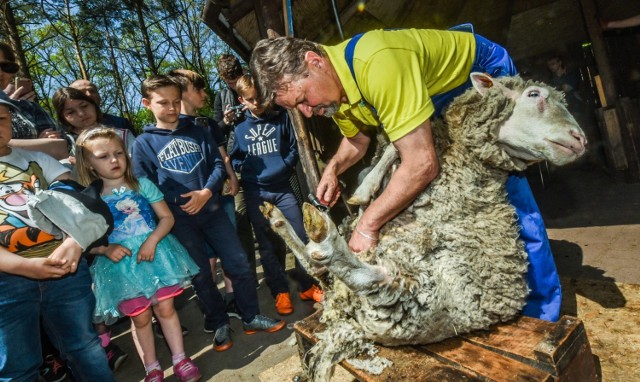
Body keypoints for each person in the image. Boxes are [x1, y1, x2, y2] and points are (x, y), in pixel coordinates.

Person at [250, 28, 562, 322]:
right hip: (423, 87)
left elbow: (422, 164)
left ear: (314, 62)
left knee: (498, 189)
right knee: (439, 200)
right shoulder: (332, 91)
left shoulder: (377, 63)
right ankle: (478, 292)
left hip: (474, 73)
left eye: (303, 99)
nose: (306, 111)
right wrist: (333, 168)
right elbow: (358, 140)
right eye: (297, 108)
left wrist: (367, 226)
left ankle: (541, 311)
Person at [132, 75, 285, 352]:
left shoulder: (198, 130)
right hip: (179, 221)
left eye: (175, 101)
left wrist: (205, 193)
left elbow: (217, 164)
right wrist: (177, 200)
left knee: (238, 262)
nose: (170, 108)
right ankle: (219, 324)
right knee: (201, 275)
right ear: (146, 104)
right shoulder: (143, 143)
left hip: (211, 209)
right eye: (162, 102)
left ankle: (250, 316)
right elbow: (145, 184)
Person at [0, 91, 114, 381]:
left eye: (1, 118)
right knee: (18, 367)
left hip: (67, 268)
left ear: (11, 120)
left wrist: (74, 243)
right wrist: (23, 266)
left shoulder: (38, 160)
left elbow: (83, 206)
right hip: (7, 282)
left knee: (84, 346)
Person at [74, 127, 201, 382]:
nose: (113, 160)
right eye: (103, 156)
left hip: (156, 257)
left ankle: (180, 359)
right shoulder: (89, 198)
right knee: (140, 317)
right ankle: (152, 368)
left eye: (118, 153)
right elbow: (83, 240)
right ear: (87, 162)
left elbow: (166, 218)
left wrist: (152, 241)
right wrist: (105, 249)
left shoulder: (142, 185)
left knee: (166, 308)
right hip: (121, 267)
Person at [230, 75, 323, 315]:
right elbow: (236, 157)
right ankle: (280, 292)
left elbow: (293, 148)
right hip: (256, 193)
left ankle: (306, 285)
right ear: (242, 100)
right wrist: (245, 168)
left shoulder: (282, 119)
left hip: (282, 189)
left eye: (260, 97)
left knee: (300, 235)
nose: (257, 103)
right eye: (251, 100)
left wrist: (283, 165)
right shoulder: (240, 130)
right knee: (267, 244)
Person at [212, 54, 258, 279]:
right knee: (241, 219)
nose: (233, 85)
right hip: (236, 161)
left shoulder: (253, 85)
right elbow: (215, 131)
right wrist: (225, 121)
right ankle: (250, 270)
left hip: (259, 155)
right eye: (228, 82)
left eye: (235, 79)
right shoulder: (221, 97)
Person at [0, 41, 68, 160]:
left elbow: (61, 147)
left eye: (6, 67)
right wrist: (41, 144)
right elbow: (53, 148)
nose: (0, 73)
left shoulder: (29, 107)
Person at [52, 87, 135, 155]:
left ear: (94, 105)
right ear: (63, 118)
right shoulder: (64, 145)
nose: (81, 114)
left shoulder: (123, 135)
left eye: (84, 106)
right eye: (71, 112)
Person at [70, 79, 137, 136]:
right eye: (82, 92)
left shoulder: (120, 123)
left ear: (99, 96)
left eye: (92, 91)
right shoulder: (64, 131)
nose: (89, 94)